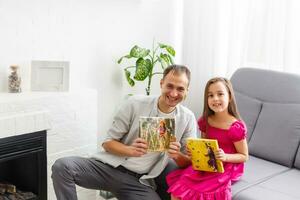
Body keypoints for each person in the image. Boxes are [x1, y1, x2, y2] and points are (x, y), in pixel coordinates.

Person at [51, 65, 198, 200]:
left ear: (187, 91)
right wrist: (130, 150)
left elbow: (190, 162)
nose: (173, 93)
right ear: (161, 84)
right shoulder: (135, 104)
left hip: (137, 182)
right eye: (169, 86)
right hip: (108, 169)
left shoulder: (187, 118)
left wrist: (176, 155)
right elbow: (108, 143)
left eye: (180, 89)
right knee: (62, 166)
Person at [166, 77, 249, 200]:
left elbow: (244, 156)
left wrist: (225, 157)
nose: (215, 99)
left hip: (226, 165)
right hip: (208, 163)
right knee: (178, 190)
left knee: (203, 191)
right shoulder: (206, 121)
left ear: (230, 97)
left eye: (220, 94)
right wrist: (195, 152)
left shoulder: (235, 127)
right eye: (210, 95)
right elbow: (205, 145)